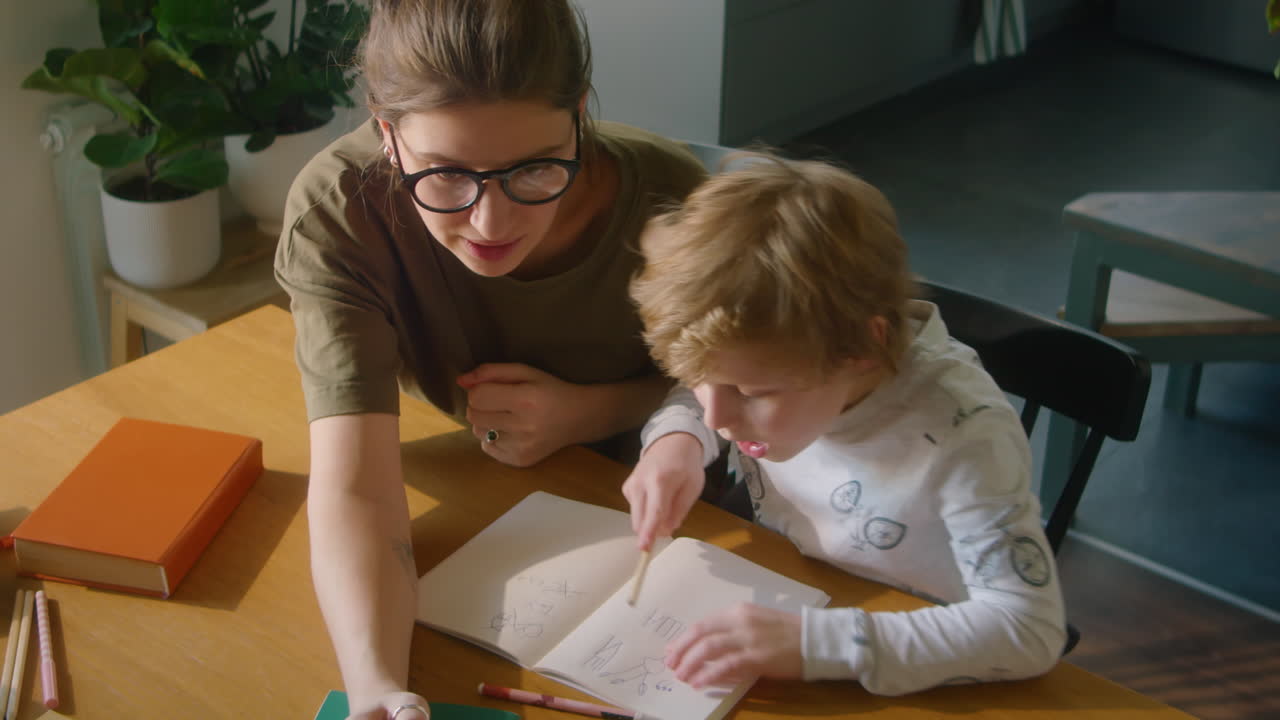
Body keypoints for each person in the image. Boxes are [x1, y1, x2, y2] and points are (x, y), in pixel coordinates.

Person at [273, 1, 706, 716]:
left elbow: (747, 390)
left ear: (579, 114)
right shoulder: (338, 213)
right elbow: (358, 488)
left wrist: (594, 410)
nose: (491, 222)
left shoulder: (673, 199)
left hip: (677, 507)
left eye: (535, 169)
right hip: (492, 500)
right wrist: (377, 685)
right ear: (388, 136)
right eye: (444, 175)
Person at [623, 153, 1067, 696]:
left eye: (749, 393)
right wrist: (676, 441)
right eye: (700, 382)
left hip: (911, 644)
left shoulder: (965, 432)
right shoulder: (770, 368)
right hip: (793, 581)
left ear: (862, 347)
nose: (717, 416)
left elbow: (1029, 629)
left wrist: (814, 643)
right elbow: (716, 377)